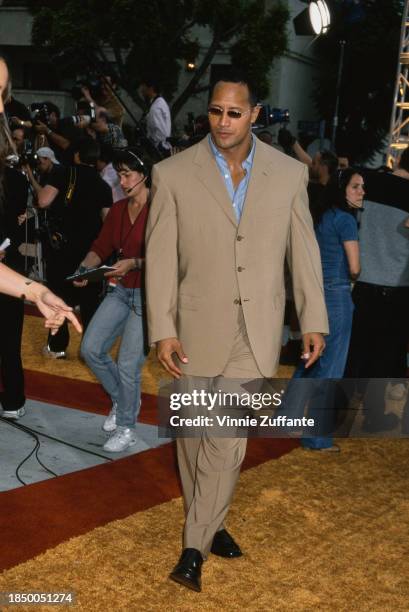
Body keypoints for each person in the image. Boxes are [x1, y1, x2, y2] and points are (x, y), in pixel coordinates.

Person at [145, 70, 328, 592]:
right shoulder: (173, 173)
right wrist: (163, 328)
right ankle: (217, 521)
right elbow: (158, 260)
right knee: (194, 439)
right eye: (215, 112)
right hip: (193, 327)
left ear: (253, 114)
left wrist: (313, 318)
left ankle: (192, 548)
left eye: (233, 112)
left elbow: (304, 252)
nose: (222, 122)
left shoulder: (289, 174)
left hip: (258, 329)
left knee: (225, 440)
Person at [284, 168, 364, 451]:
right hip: (338, 296)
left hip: (315, 295)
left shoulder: (322, 217)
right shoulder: (345, 221)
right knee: (330, 367)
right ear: (342, 189)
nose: (361, 192)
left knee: (309, 358)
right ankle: (317, 437)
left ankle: (287, 418)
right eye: (355, 187)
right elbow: (355, 268)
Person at [78, 150, 149, 452]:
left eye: (127, 175)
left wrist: (134, 263)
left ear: (144, 175)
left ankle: (126, 427)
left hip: (149, 296)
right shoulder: (119, 210)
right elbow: (101, 246)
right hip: (120, 289)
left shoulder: (162, 209)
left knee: (129, 363)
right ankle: (122, 400)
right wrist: (84, 268)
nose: (121, 181)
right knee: (90, 349)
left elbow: (172, 255)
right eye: (119, 175)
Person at [344, 148, 409, 431]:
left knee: (355, 353)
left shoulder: (370, 184)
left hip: (363, 281)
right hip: (396, 288)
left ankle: (338, 416)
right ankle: (373, 417)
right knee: (383, 356)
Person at [31, 138, 113, 357]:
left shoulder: (63, 174)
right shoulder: (103, 184)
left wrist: (33, 180)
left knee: (58, 297)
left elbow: (44, 201)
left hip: (62, 249)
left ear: (76, 155)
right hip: (92, 252)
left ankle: (57, 347)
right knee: (90, 303)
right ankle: (91, 351)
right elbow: (109, 222)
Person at [140, 78, 171, 157]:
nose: (141, 91)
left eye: (143, 87)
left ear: (151, 88)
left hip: (159, 151)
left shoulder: (156, 108)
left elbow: (161, 133)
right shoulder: (159, 103)